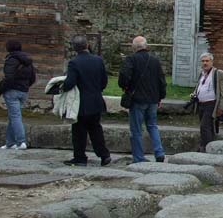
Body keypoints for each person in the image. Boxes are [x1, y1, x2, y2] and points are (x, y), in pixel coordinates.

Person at [61, 35, 111, 166]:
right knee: (96, 129)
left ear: (74, 49)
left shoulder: (74, 62)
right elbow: (104, 82)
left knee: (79, 131)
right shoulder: (98, 60)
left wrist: (62, 86)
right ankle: (104, 155)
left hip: (81, 102)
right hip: (96, 100)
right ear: (87, 45)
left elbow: (70, 83)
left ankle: (80, 157)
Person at [118, 35, 167, 163]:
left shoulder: (131, 59)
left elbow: (124, 76)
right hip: (153, 99)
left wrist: (124, 87)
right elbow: (162, 80)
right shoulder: (155, 61)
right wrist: (161, 97)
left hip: (137, 99)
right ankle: (159, 152)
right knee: (152, 126)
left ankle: (139, 157)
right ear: (146, 46)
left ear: (134, 47)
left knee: (136, 130)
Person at [0, 39, 36, 150]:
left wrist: (3, 87)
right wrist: (25, 86)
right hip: (23, 91)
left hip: (12, 91)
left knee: (15, 116)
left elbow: (8, 77)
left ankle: (21, 142)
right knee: (13, 116)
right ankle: (10, 142)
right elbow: (33, 77)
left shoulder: (11, 60)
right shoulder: (28, 61)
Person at [192, 52, 223, 152]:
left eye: (207, 61)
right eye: (203, 61)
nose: (205, 63)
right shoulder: (202, 73)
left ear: (212, 62)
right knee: (207, 126)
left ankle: (206, 147)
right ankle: (208, 145)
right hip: (201, 104)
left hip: (211, 104)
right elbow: (199, 86)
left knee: (205, 125)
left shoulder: (218, 73)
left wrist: (222, 107)